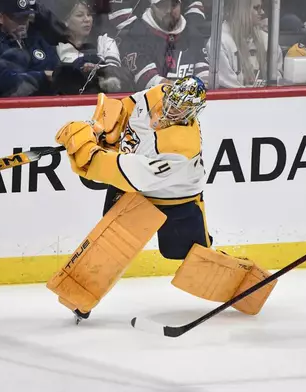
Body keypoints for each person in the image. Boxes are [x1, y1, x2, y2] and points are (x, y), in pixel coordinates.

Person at [47, 76, 277, 323]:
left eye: (181, 109)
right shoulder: (156, 93)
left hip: (176, 198)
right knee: (108, 246)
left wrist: (86, 150)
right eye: (171, 101)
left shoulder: (180, 147)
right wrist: (99, 129)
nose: (172, 109)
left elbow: (124, 173)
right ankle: (79, 299)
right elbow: (123, 107)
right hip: (136, 188)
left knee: (193, 257)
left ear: (194, 112)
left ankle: (247, 285)